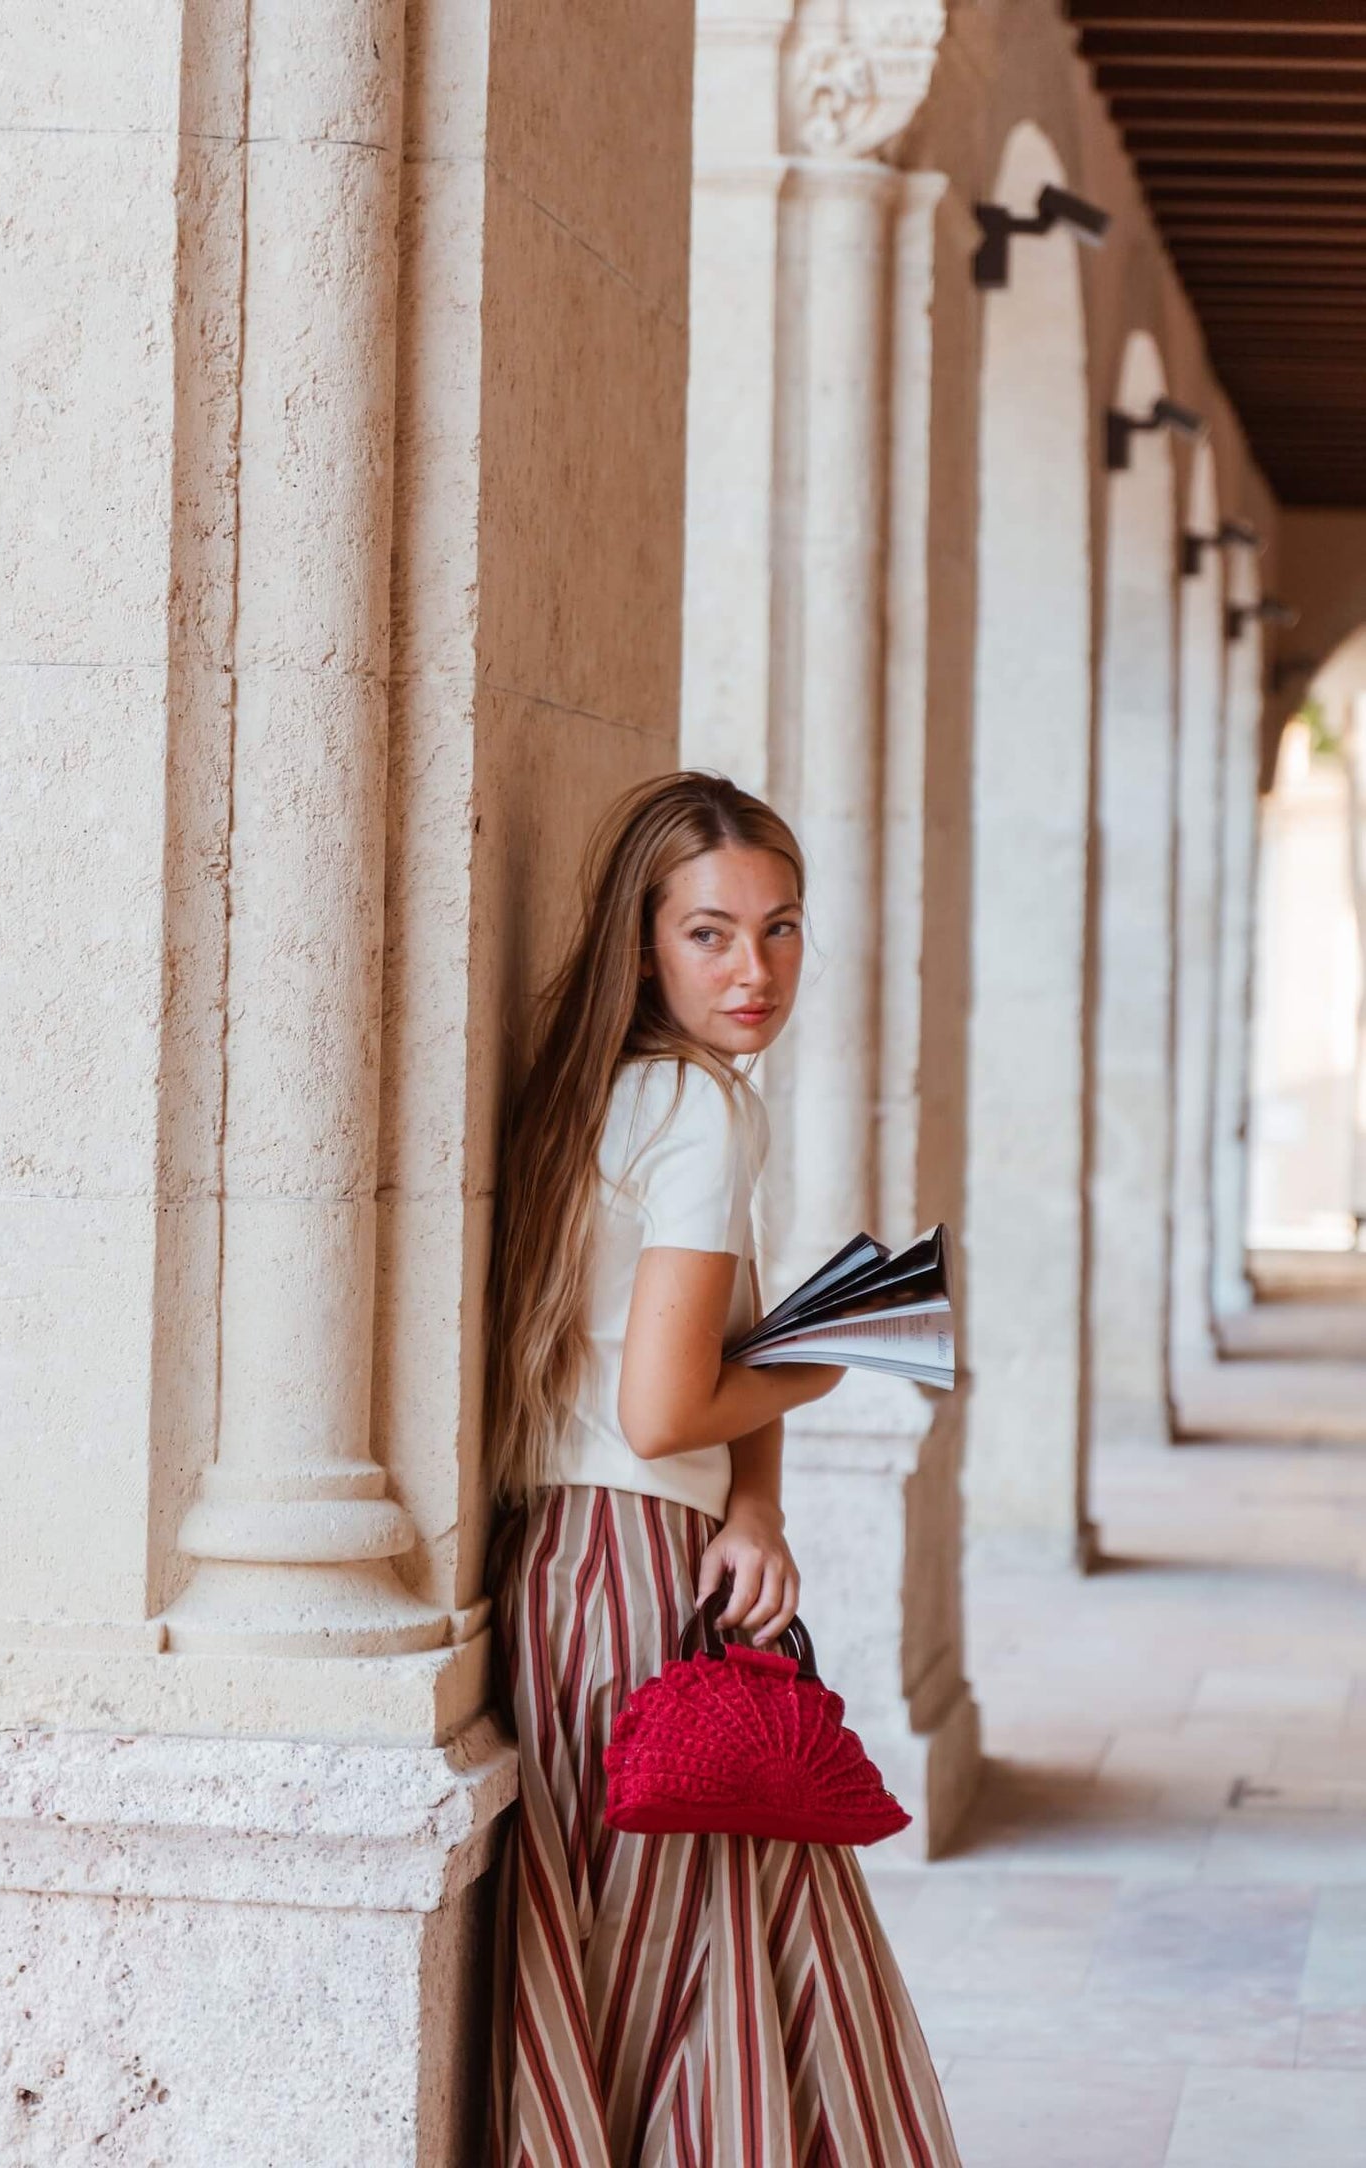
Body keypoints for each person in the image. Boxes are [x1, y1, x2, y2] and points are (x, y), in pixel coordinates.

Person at [487, 772, 960, 2167]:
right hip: (631, 1570)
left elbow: (680, 1367)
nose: (752, 969)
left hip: (578, 1567)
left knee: (669, 1961)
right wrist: (832, 1364)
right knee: (697, 1975)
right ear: (643, 943)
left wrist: (756, 1500)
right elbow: (660, 1407)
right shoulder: (697, 1110)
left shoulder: (610, 1091)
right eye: (708, 932)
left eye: (780, 926)